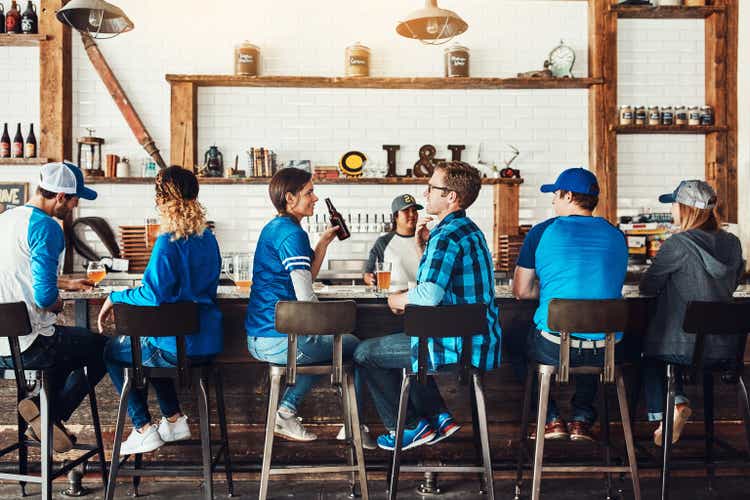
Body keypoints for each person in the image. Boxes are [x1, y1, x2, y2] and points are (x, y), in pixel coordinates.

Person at [354, 161, 502, 451]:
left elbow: (429, 294)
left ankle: (409, 427)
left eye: (432, 187)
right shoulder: (469, 230)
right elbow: (439, 285)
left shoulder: (446, 235)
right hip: (476, 343)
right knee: (410, 347)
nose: (426, 193)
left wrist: (395, 299)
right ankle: (438, 416)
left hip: (452, 347)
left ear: (451, 197)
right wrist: (423, 249)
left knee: (364, 353)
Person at [97, 166, 223, 455]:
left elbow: (153, 294)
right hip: (207, 344)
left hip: (178, 349)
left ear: (160, 199)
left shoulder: (168, 241)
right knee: (147, 348)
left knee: (114, 352)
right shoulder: (208, 238)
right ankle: (174, 419)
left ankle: (142, 428)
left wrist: (115, 297)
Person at [246, 167, 374, 447]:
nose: (315, 198)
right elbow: (306, 298)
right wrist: (329, 321)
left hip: (262, 337)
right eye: (309, 192)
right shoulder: (291, 234)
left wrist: (323, 243)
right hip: (280, 340)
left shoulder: (277, 227)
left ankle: (286, 412)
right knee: (358, 348)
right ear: (290, 198)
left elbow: (305, 277)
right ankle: (353, 427)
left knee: (325, 348)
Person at [513, 167, 628, 442]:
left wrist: (554, 292)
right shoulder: (617, 235)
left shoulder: (541, 232)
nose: (552, 200)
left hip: (554, 347)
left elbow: (521, 290)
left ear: (566, 195)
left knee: (514, 343)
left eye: (555, 194)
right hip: (608, 351)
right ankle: (582, 418)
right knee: (592, 330)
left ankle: (550, 419)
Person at [0, 161, 105, 453]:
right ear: (60, 196)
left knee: (65, 350)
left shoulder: (6, 219)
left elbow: (18, 272)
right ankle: (49, 413)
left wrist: (65, 283)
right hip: (30, 346)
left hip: (1, 347)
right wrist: (58, 302)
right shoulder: (47, 227)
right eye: (74, 199)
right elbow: (45, 298)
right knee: (104, 348)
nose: (74, 206)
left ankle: (43, 411)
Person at [640, 180, 743, 446]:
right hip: (725, 349)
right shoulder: (732, 243)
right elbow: (731, 284)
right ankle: (677, 407)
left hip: (681, 347)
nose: (672, 209)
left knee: (646, 355)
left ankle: (675, 404)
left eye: (674, 204)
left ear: (686, 209)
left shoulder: (678, 244)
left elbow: (648, 286)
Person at [363, 194, 422, 289]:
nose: (412, 214)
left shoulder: (426, 239)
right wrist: (370, 278)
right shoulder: (383, 242)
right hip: (394, 298)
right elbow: (368, 273)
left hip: (421, 298)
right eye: (406, 210)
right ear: (395, 216)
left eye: (414, 210)